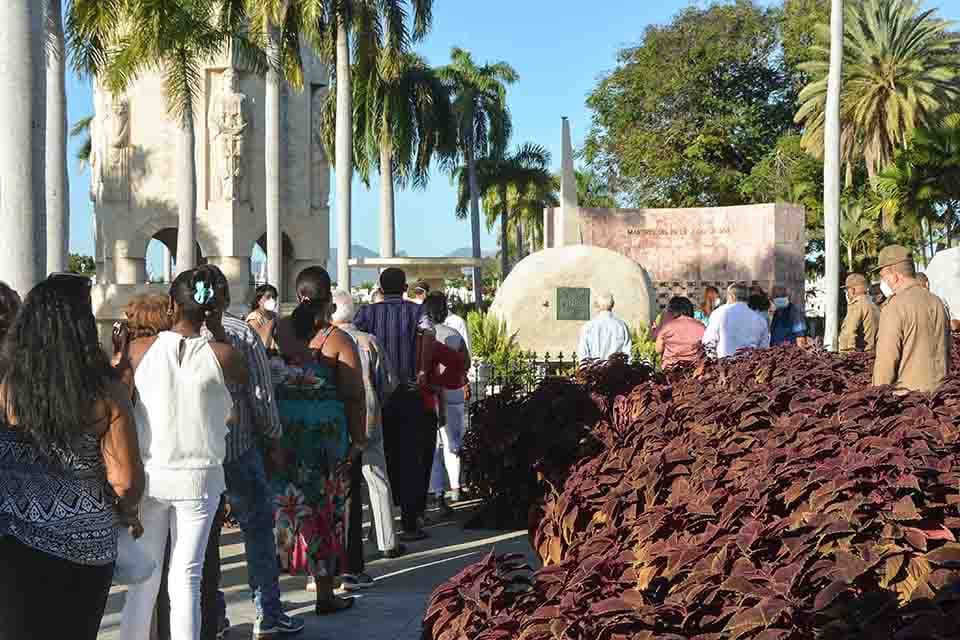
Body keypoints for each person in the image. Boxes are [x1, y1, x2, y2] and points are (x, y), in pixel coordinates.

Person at [0, 274, 144, 640]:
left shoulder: (8, 388)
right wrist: (128, 512)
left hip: (14, 542)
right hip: (85, 546)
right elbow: (125, 480)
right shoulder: (105, 392)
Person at [118, 266, 248, 640]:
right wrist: (218, 327)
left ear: (172, 304)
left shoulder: (138, 351)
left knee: (145, 578)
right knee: (186, 578)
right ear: (214, 308)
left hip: (152, 474)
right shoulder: (224, 355)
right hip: (201, 478)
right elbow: (238, 380)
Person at [184, 267, 302, 639]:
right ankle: (267, 612)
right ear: (224, 296)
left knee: (204, 537)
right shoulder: (241, 334)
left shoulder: (173, 338)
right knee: (256, 530)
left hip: (194, 453)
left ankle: (211, 615)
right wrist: (274, 439)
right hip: (238, 448)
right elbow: (260, 396)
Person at [271, 266, 367, 614]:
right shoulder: (338, 340)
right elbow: (355, 395)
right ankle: (325, 594)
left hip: (284, 436)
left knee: (285, 510)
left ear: (299, 296)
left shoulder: (277, 332)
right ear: (328, 300)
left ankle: (270, 601)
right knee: (326, 514)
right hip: (325, 441)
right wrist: (358, 440)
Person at [354, 267, 436, 542]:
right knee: (409, 456)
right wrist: (422, 372)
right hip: (407, 389)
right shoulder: (416, 311)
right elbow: (429, 336)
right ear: (404, 287)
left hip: (377, 394)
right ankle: (410, 523)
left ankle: (379, 523)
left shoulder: (367, 313)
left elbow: (355, 338)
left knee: (380, 458)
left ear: (380, 286)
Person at [331, 290, 404, 593]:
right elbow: (388, 381)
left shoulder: (325, 342)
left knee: (340, 485)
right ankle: (387, 539)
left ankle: (341, 548)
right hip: (370, 413)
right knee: (376, 475)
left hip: (337, 417)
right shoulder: (368, 340)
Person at [872, 245, 951, 393]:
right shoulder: (937, 302)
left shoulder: (894, 306)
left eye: (883, 276)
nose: (884, 281)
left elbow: (886, 361)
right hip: (941, 396)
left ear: (894, 275)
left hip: (909, 402)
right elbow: (947, 350)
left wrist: (877, 396)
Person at [423, 292, 470, 514]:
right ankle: (456, 487)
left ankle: (436, 491)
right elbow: (466, 363)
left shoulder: (423, 335)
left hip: (430, 394)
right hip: (453, 392)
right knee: (453, 442)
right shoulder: (453, 334)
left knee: (433, 446)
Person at [702, 284, 771, 358]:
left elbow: (709, 342)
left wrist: (713, 363)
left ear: (732, 296)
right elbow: (764, 349)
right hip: (750, 365)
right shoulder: (760, 319)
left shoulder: (718, 313)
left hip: (723, 364)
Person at [576, 292, 632, 361]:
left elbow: (583, 354)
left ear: (597, 305)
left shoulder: (589, 326)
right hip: (617, 369)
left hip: (595, 369)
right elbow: (627, 354)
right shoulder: (621, 326)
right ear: (613, 305)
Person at [655, 297, 705, 369]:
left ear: (672, 311)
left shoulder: (667, 327)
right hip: (694, 370)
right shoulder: (701, 326)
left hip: (670, 370)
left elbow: (658, 349)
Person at [838, 274, 880, 353]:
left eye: (847, 290)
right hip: (873, 355)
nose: (847, 293)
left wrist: (845, 356)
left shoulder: (857, 305)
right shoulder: (873, 305)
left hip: (860, 358)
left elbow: (848, 335)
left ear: (852, 290)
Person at [247, 283, 280, 353]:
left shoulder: (275, 316)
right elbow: (263, 344)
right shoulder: (254, 318)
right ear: (259, 300)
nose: (272, 300)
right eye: (268, 297)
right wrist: (271, 324)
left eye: (274, 297)